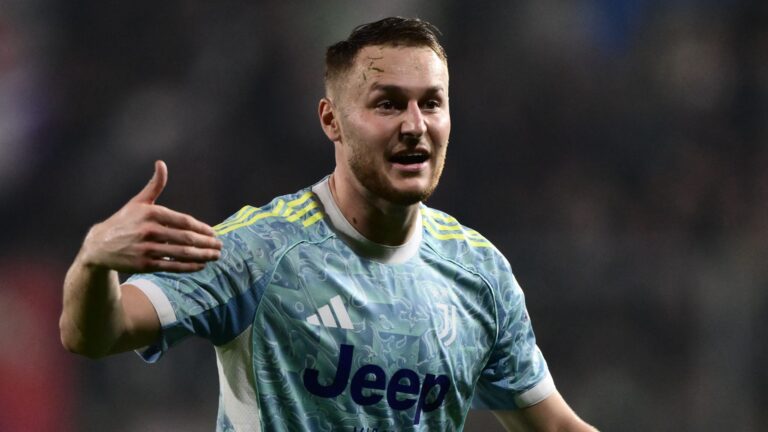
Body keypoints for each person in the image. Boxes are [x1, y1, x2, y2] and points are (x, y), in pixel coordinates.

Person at [60, 17, 597, 431]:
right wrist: (94, 262)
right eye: (388, 104)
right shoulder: (260, 250)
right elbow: (94, 334)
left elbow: (553, 425)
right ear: (331, 120)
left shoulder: (479, 273)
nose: (415, 125)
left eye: (431, 103)